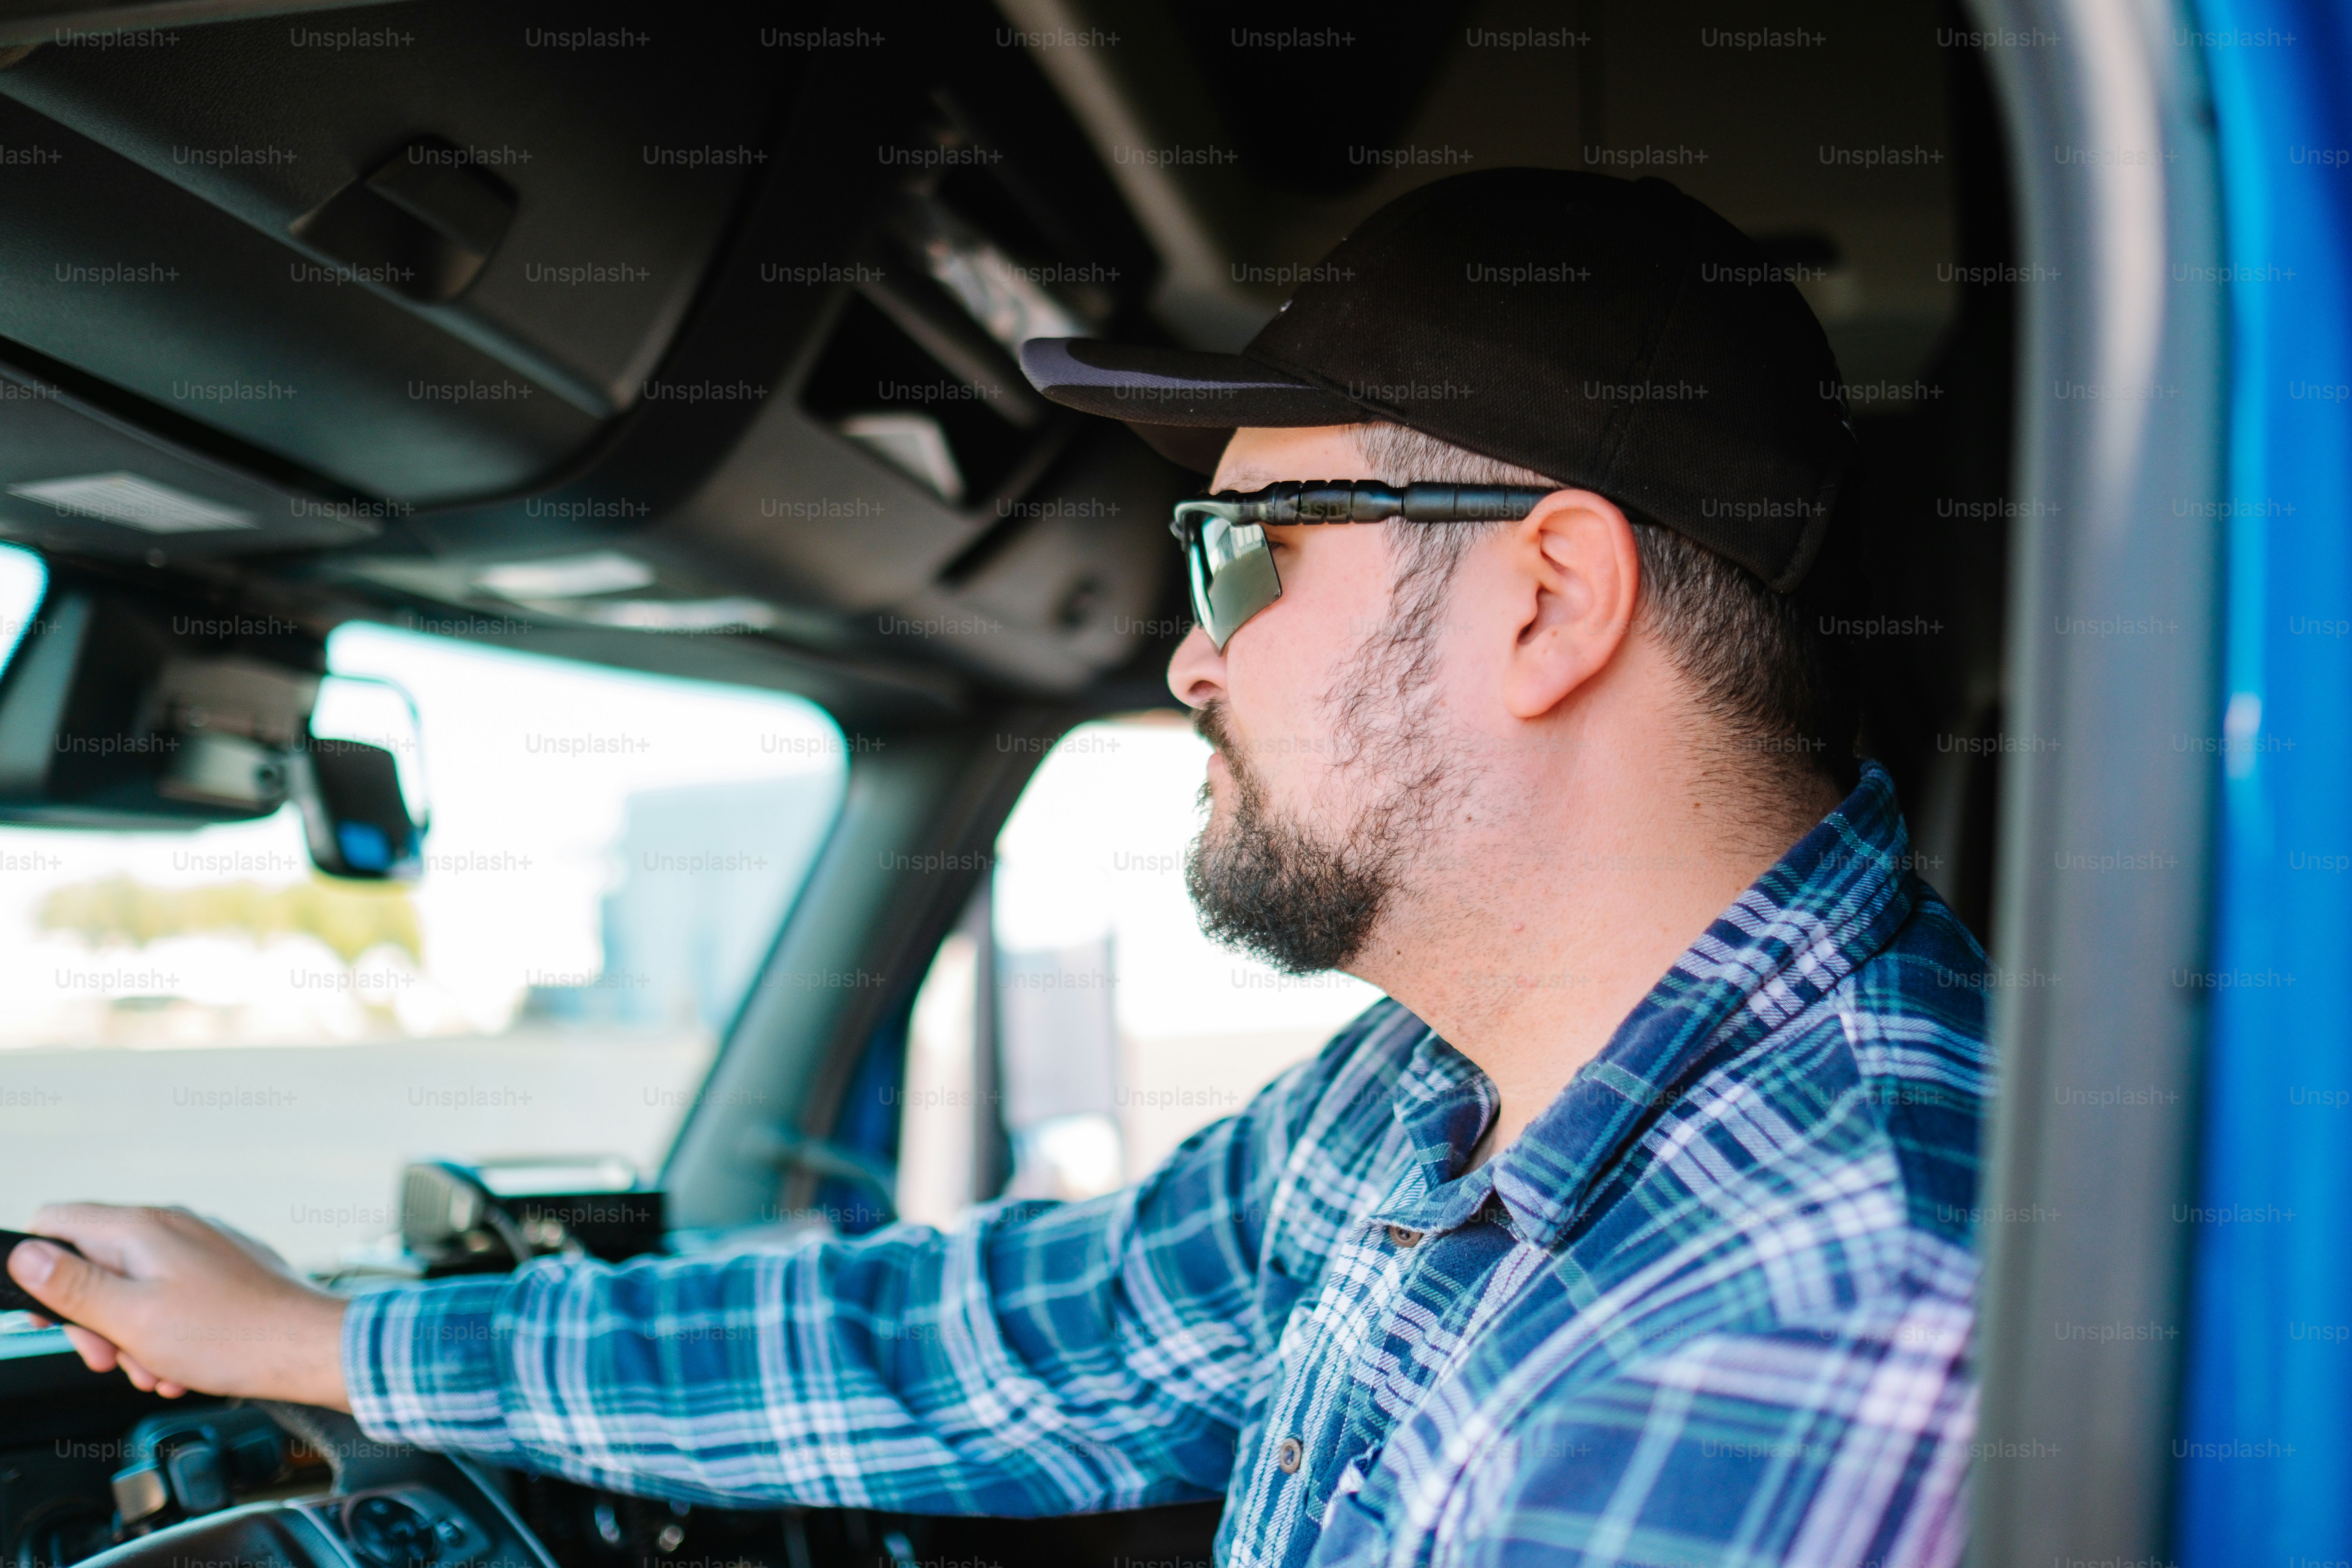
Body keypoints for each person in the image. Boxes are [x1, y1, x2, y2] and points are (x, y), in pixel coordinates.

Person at [10, 170, 1988, 1567]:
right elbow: (1013, 1345)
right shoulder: (1439, 1091)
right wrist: (320, 1343)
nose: (1191, 653)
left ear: (1551, 602)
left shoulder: (1803, 1319)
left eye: (1246, 558)